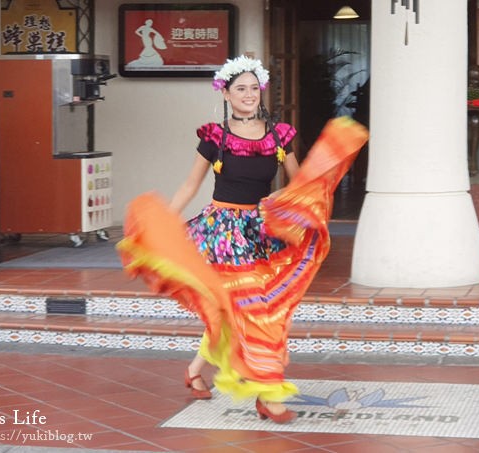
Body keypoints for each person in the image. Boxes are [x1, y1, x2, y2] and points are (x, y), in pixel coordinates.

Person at [118, 55, 368, 424]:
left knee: (238, 309)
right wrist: (165, 223)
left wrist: (313, 190)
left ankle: (195, 369)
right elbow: (191, 184)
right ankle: (269, 396)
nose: (249, 95)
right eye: (241, 89)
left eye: (254, 88)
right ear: (226, 94)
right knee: (253, 309)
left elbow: (300, 184)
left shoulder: (279, 136)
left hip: (261, 232)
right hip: (221, 234)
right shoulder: (214, 138)